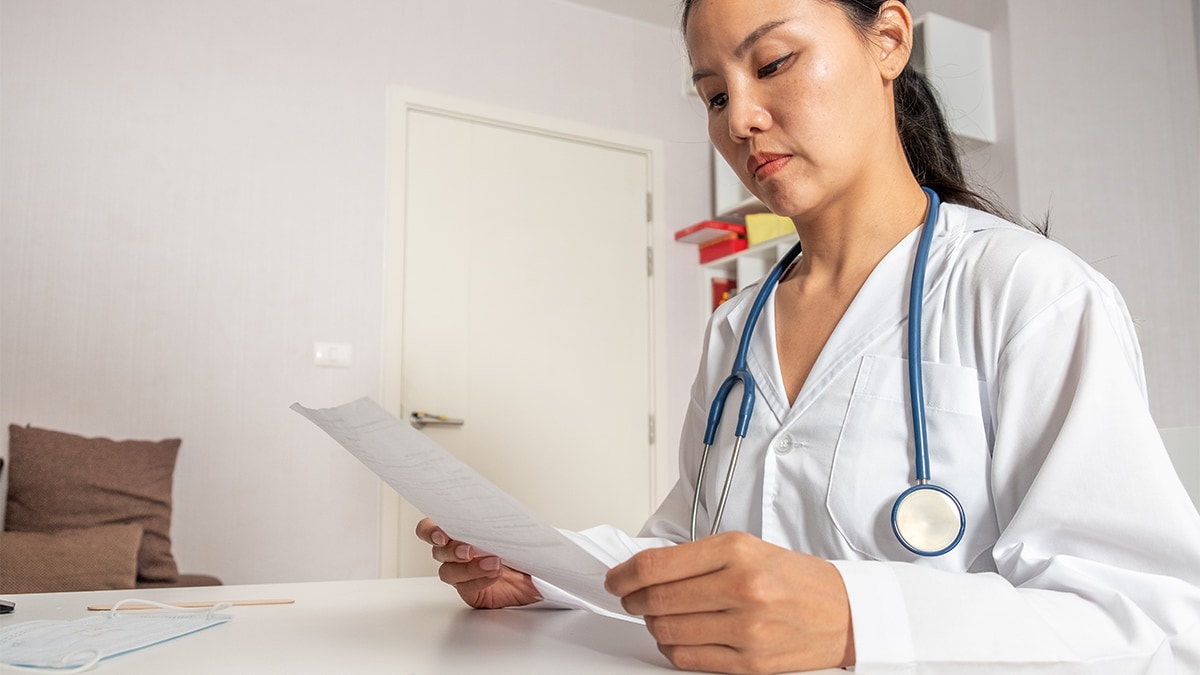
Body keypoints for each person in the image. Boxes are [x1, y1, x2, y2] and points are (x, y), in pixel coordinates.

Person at [417, 0, 1200, 672]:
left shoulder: (1030, 293)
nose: (743, 118)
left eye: (776, 62)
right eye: (715, 95)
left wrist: (856, 615)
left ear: (888, 40)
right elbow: (684, 541)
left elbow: (1153, 623)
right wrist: (542, 568)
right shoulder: (736, 325)